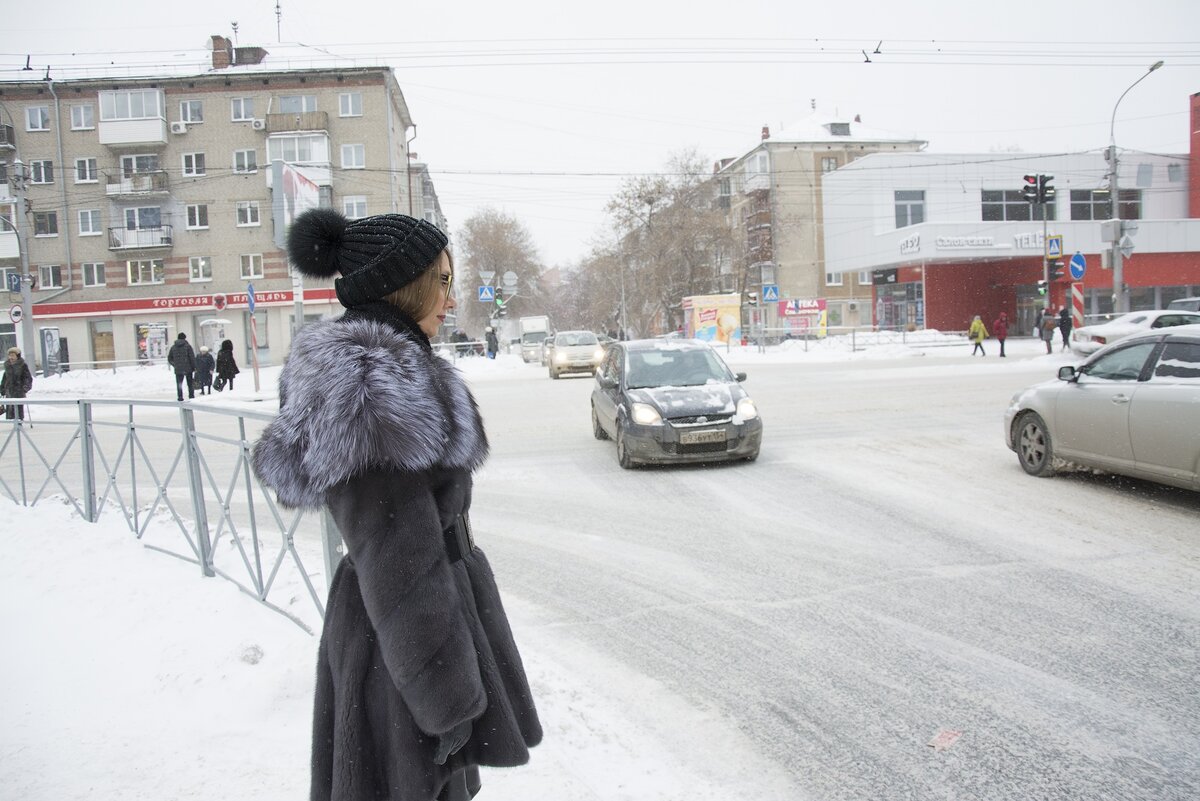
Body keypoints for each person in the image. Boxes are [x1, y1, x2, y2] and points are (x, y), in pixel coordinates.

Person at [252, 208, 541, 801]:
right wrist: (446, 702)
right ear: (401, 283)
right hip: (404, 654)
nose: (450, 297)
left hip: (404, 644)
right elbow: (397, 560)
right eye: (441, 280)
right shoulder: (370, 389)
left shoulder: (399, 371)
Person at [1, 346, 33, 420]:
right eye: (10, 355)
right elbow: (5, 378)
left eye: (13, 355)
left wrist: (25, 387)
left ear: (17, 356)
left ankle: (19, 422)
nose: (11, 357)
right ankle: (14, 422)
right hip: (9, 390)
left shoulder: (22, 365)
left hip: (19, 389)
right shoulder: (7, 365)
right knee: (11, 408)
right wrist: (2, 388)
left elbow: (27, 377)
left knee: (19, 407)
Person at [167, 332, 196, 401]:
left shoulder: (173, 347)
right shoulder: (188, 346)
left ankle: (180, 396)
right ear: (185, 338)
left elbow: (169, 358)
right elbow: (192, 357)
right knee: (190, 383)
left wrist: (175, 364)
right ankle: (191, 396)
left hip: (178, 369)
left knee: (179, 384)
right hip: (188, 368)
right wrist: (194, 367)